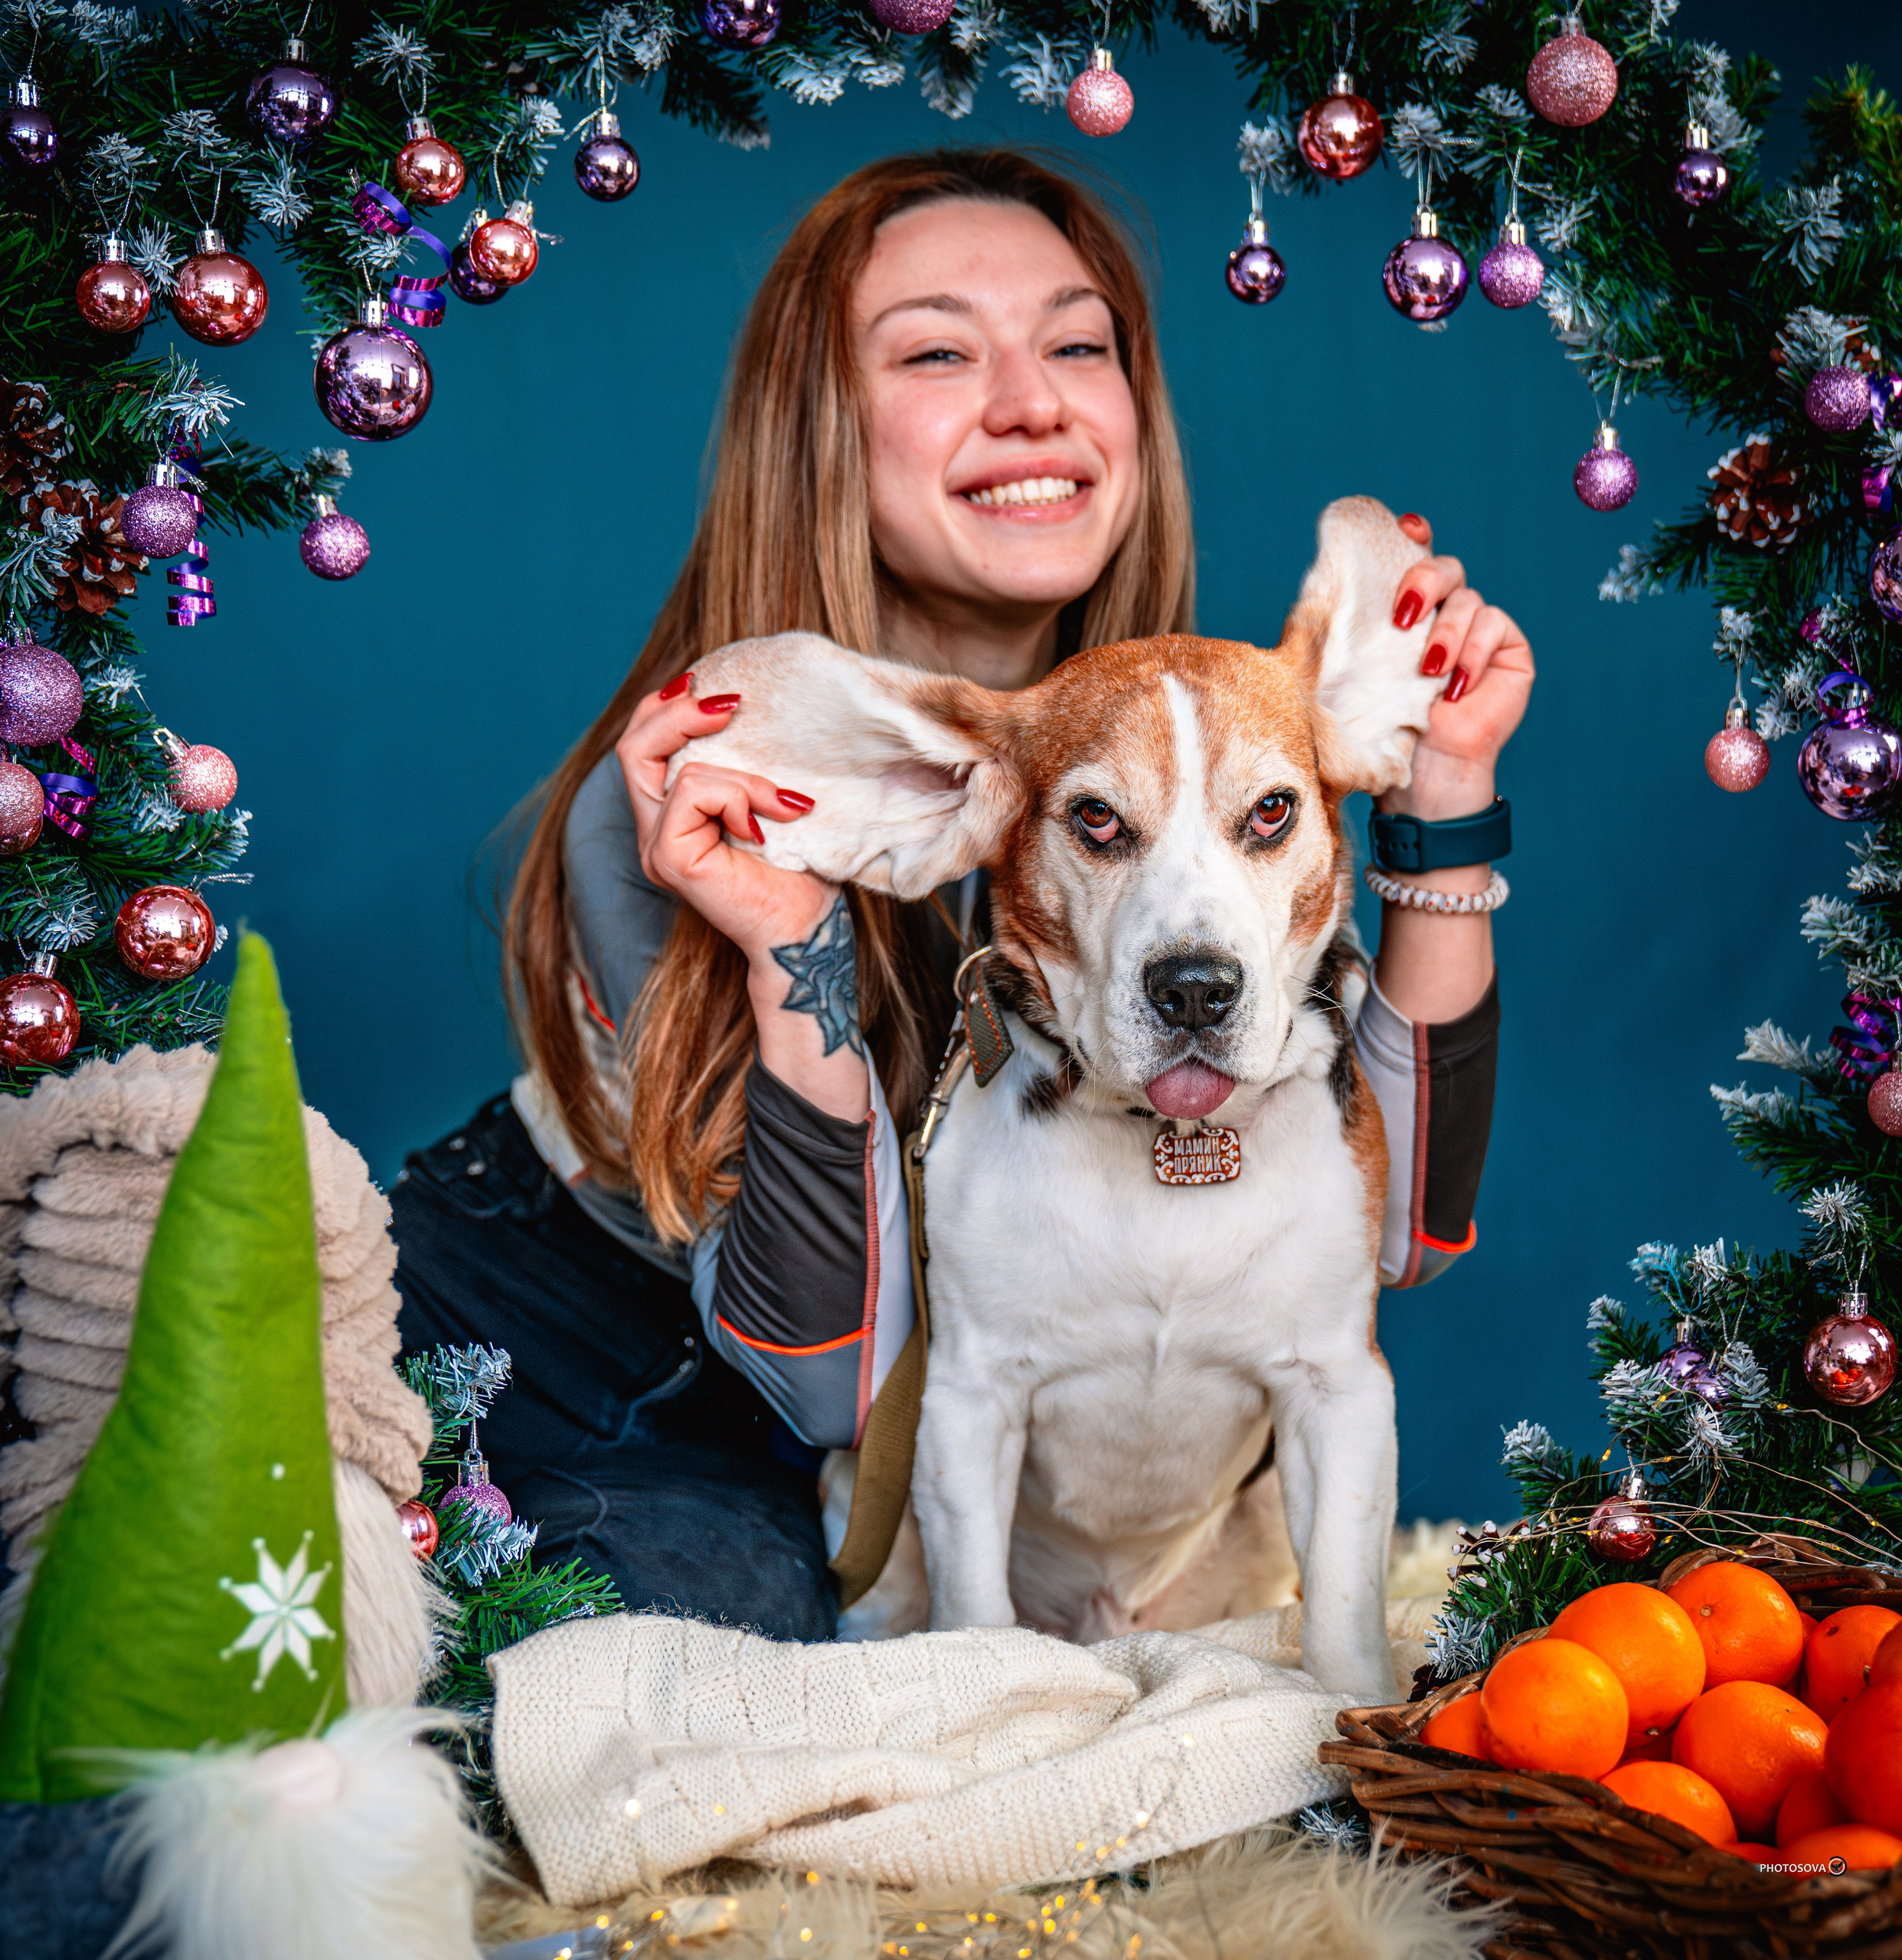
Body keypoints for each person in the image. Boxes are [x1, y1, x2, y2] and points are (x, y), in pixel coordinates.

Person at [392, 148, 1533, 1642]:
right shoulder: (692, 781)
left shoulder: (1175, 724)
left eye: (1077, 343)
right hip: (601, 1338)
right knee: (723, 1630)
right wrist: (791, 941)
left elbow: (1391, 1241)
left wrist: (1439, 795)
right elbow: (828, 1378)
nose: (1033, 400)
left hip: (890, 1408)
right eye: (938, 350)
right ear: (819, 426)